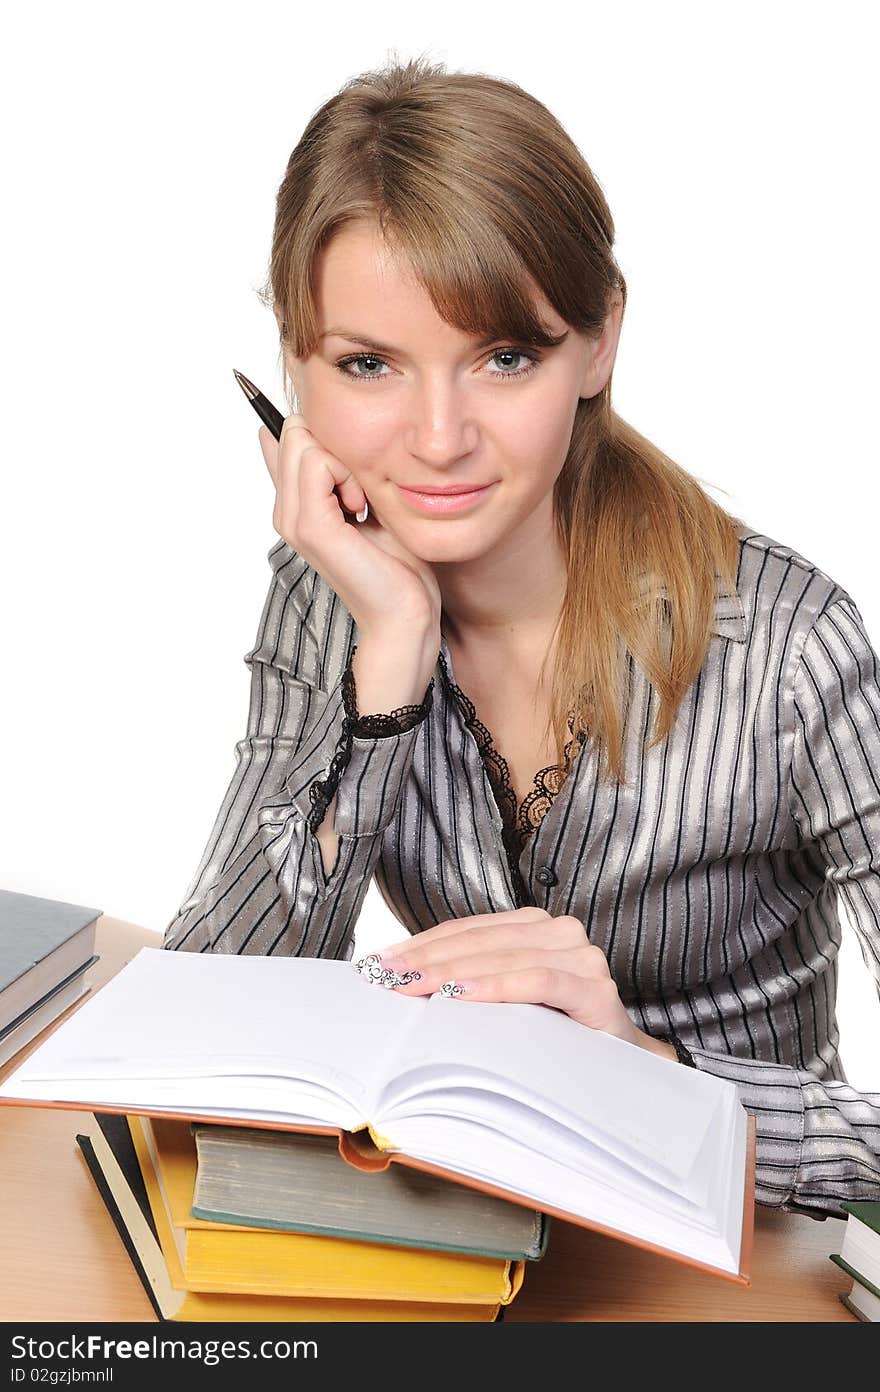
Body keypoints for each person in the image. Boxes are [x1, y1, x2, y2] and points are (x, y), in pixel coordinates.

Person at [163, 56, 880, 1215]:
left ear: (597, 344)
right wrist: (389, 652)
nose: (438, 439)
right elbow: (208, 1021)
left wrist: (654, 1090)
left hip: (744, 1264)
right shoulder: (330, 597)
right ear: (296, 370)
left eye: (505, 356)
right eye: (367, 365)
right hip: (479, 1239)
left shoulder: (789, 650)